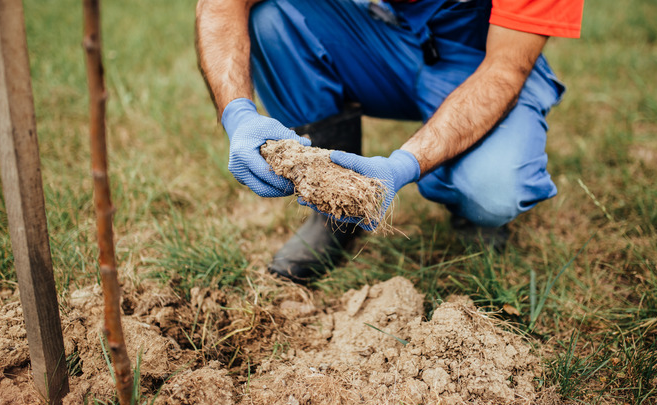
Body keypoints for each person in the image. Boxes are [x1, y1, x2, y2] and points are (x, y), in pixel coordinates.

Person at [195, 0, 584, 283]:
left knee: (493, 190)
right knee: (273, 18)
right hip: (377, 34)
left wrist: (401, 166)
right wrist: (238, 115)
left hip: (479, 55)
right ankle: (333, 211)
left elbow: (503, 70)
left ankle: (466, 200)